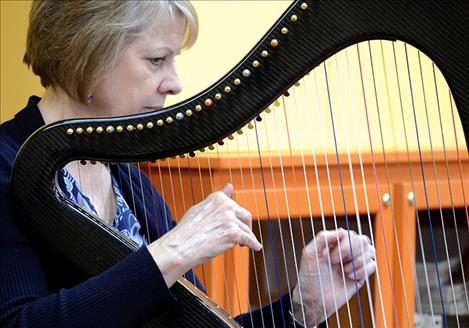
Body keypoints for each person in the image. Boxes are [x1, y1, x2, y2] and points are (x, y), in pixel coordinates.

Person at [0, 1, 376, 327]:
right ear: (87, 54)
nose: (175, 84)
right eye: (156, 60)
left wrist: (302, 307)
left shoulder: (123, 173)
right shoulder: (7, 165)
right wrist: (174, 250)